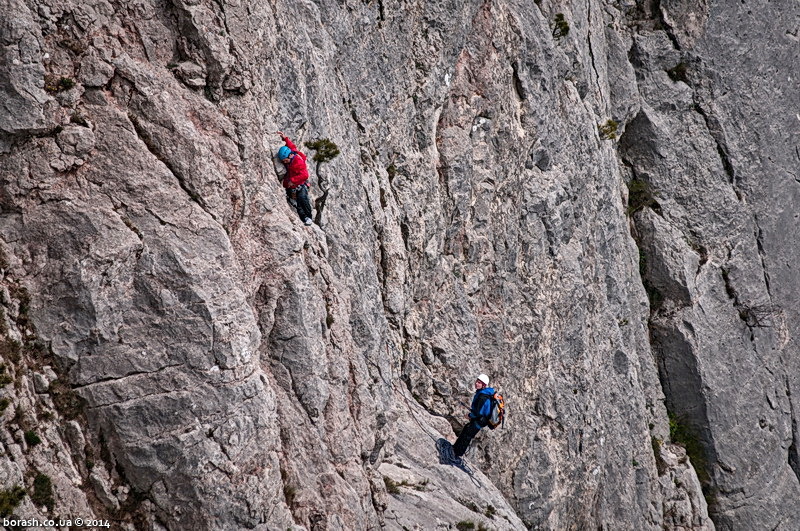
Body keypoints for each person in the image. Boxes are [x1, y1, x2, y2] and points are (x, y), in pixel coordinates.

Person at [453, 374, 495, 458]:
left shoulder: (483, 396)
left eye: (479, 383)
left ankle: (456, 454)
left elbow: (479, 413)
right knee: (466, 431)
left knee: (467, 436)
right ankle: (455, 450)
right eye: (477, 381)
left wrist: (470, 415)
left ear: (483, 385)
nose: (476, 384)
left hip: (478, 421)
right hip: (479, 420)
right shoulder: (484, 393)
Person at [276, 131, 313, 225]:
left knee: (302, 199)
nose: (285, 162)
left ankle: (308, 217)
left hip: (300, 183)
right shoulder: (291, 153)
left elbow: (305, 175)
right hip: (292, 184)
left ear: (290, 156)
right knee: (295, 201)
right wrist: (285, 138)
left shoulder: (298, 162)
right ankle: (291, 197)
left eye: (285, 160)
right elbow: (292, 146)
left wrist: (293, 180)